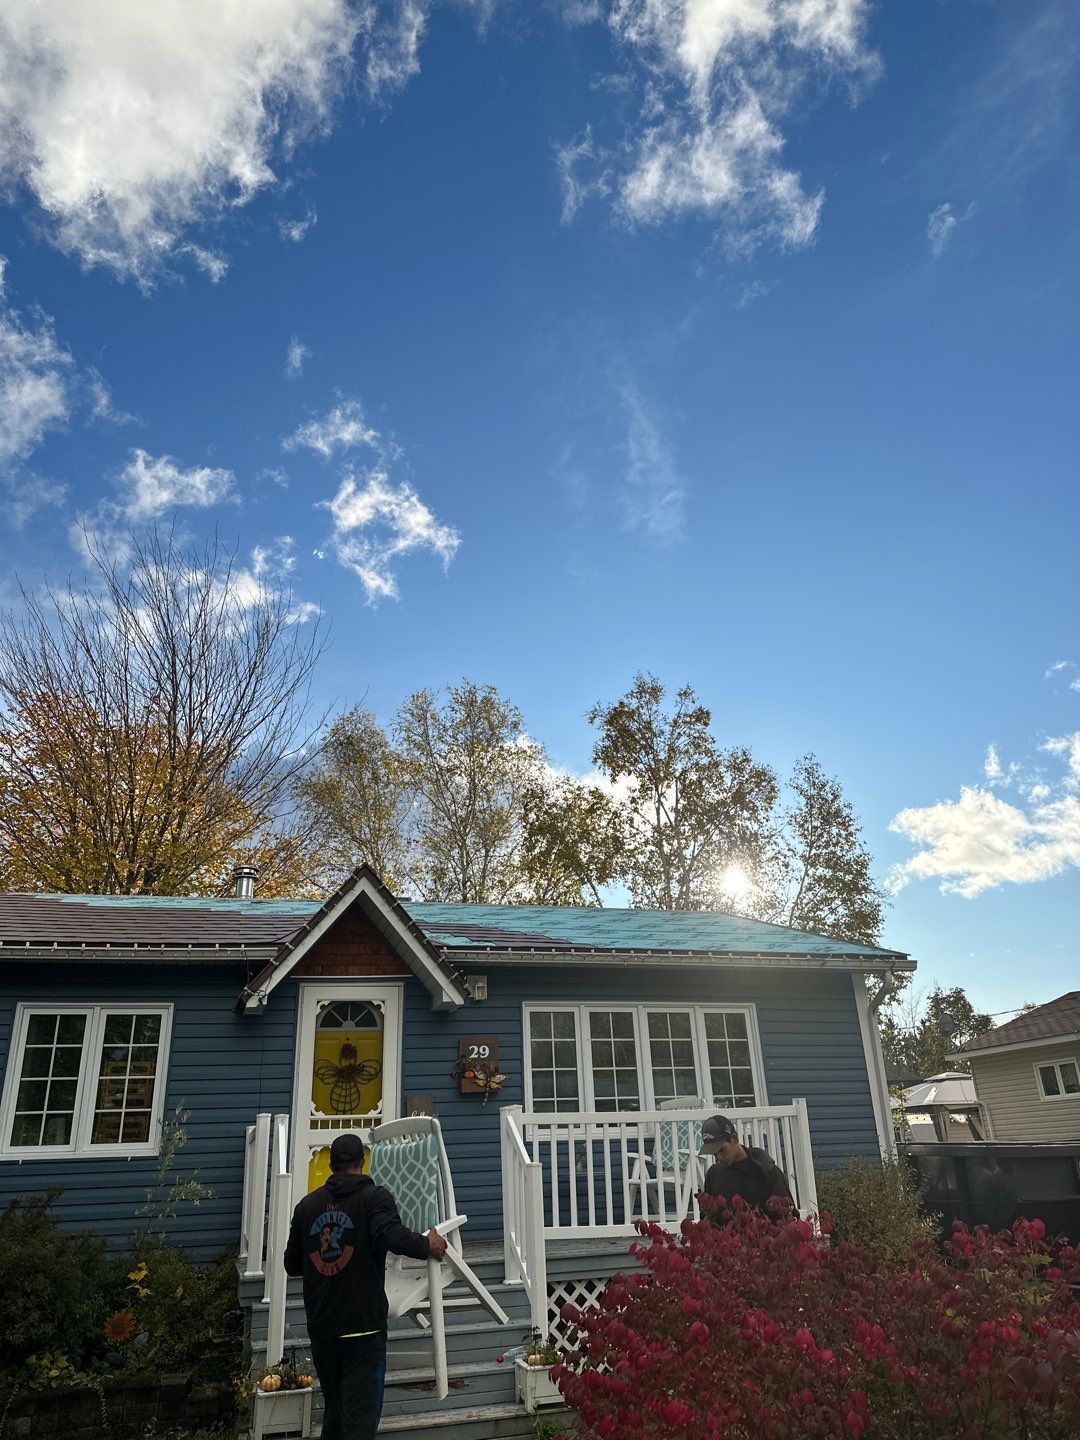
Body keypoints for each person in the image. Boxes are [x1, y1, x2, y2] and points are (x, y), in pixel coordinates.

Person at [283, 1132, 448, 1440]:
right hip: (363, 1330)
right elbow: (390, 1235)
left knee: (335, 1412)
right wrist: (428, 1244)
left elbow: (292, 1264)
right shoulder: (374, 1198)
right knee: (359, 1423)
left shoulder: (306, 1207)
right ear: (363, 1162)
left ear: (331, 1164)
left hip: (323, 1330)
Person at [699, 1113, 794, 1219]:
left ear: (734, 1138)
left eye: (721, 1149)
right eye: (714, 1153)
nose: (718, 1157)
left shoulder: (768, 1171)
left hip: (763, 1234)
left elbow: (789, 1217)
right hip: (725, 1234)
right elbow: (707, 1220)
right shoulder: (714, 1174)